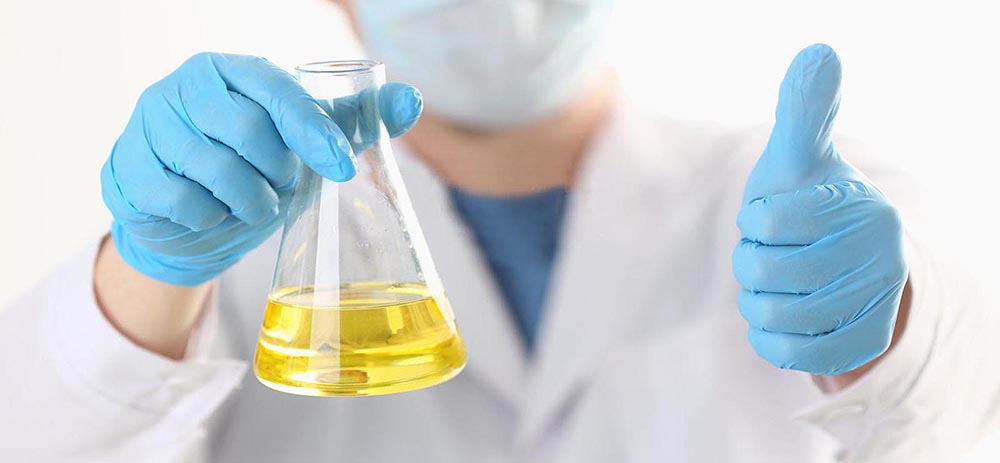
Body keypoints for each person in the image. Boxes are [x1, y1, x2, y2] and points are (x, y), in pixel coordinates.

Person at [2, 1, 998, 461]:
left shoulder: (794, 192)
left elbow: (965, 395)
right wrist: (147, 275)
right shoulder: (236, 223)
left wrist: (890, 324)